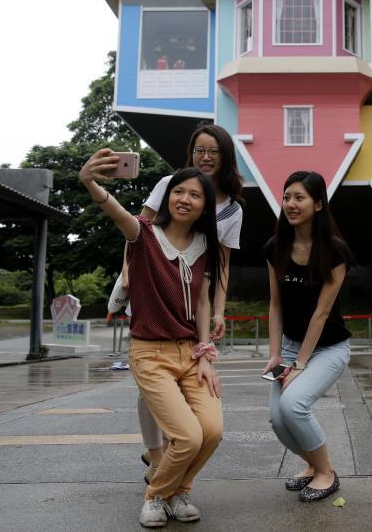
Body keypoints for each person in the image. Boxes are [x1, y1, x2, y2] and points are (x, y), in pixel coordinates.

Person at [81, 152, 224, 527]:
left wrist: (206, 354)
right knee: (188, 437)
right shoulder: (143, 235)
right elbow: (117, 213)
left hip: (191, 353)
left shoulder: (206, 248)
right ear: (167, 196)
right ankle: (156, 496)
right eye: (179, 191)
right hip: (150, 353)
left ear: (205, 206)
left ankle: (178, 491)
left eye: (195, 194)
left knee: (212, 431)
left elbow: (204, 302)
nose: (185, 199)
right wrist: (91, 182)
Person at [135, 123, 245, 484]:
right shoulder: (170, 184)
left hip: (193, 296)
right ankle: (156, 457)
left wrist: (218, 309)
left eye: (214, 150)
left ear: (226, 156)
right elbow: (139, 231)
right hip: (151, 290)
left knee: (186, 378)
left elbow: (221, 265)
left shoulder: (232, 210)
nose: (206, 156)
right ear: (191, 153)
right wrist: (125, 282)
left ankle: (174, 453)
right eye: (200, 150)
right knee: (150, 381)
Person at [262, 171, 355, 502]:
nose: (290, 204)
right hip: (288, 347)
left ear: (318, 204)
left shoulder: (334, 251)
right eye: (287, 197)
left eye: (299, 197)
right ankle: (313, 466)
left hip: (329, 349)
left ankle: (327, 473)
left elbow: (322, 313)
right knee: (277, 418)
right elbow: (275, 305)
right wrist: (276, 355)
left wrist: (299, 364)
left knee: (294, 405)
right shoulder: (276, 247)